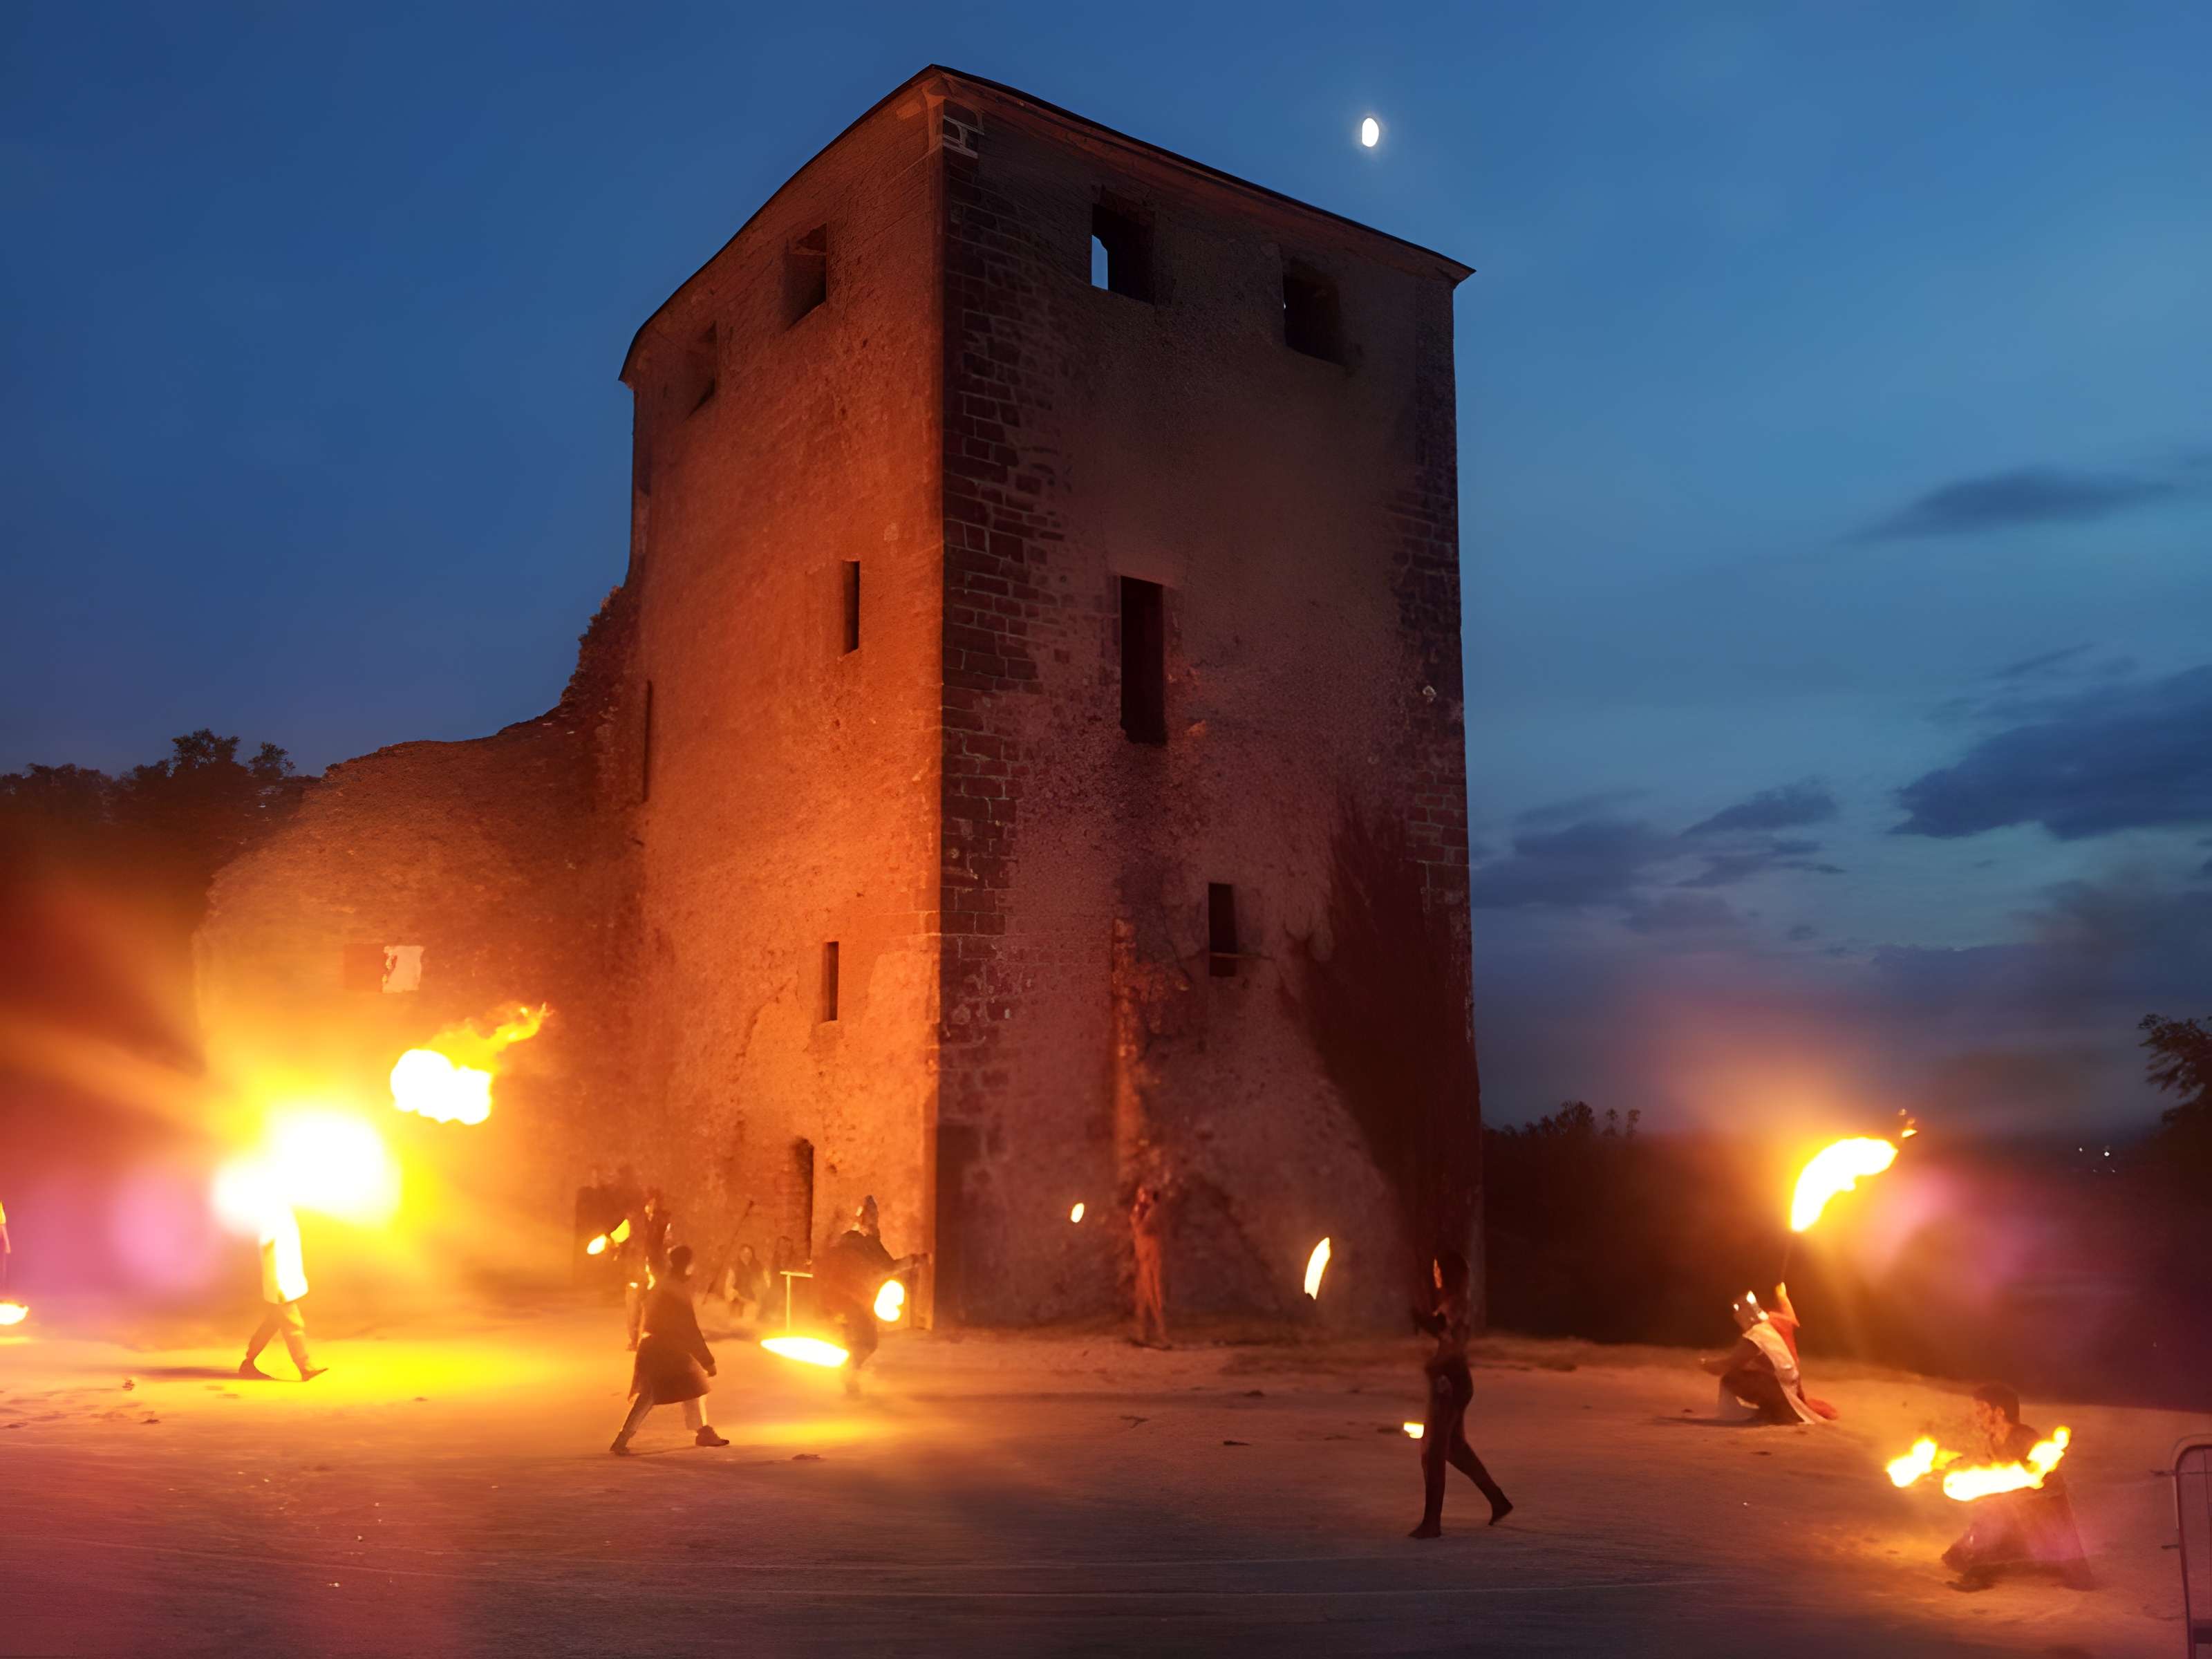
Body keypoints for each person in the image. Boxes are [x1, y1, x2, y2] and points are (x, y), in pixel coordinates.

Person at [1940, 1383, 2093, 1591]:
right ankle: (1992, 1559)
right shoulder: (1993, 1440)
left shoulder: (2025, 1438)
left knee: (1992, 1512)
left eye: (1982, 1410)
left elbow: (2042, 1480)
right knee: (1956, 1556)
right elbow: (1991, 1472)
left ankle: (1979, 1573)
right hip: (2015, 1512)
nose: (1977, 1416)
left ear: (1999, 1412)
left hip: (2042, 1514)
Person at [1408, 1248, 1512, 1537]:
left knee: (1433, 1451)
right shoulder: (1452, 1303)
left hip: (1450, 1383)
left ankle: (1432, 1523)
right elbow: (1443, 1333)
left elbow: (1448, 1334)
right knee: (1454, 1448)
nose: (1436, 1275)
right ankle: (1497, 1500)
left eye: (1440, 1270)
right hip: (1452, 1380)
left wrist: (1434, 1363)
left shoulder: (1456, 1304)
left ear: (1454, 1275)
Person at [611, 1244, 728, 1454]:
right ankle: (701, 1432)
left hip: (654, 1346)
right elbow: (689, 1327)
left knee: (684, 1389)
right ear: (686, 1264)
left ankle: (624, 1438)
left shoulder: (663, 1285)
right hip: (667, 1349)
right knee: (685, 1386)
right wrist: (707, 1360)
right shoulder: (675, 1289)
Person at [813, 1197, 926, 1396]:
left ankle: (852, 1384)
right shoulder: (868, 1244)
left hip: (832, 1302)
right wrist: (916, 1260)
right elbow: (887, 1267)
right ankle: (850, 1372)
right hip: (854, 1301)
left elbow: (822, 1264)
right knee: (868, 1341)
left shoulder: (843, 1243)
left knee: (851, 1341)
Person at [1700, 1285, 1823, 1424]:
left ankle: (1774, 1410)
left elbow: (1731, 1364)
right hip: (1791, 1385)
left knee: (1731, 1378)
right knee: (1749, 1372)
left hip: (1780, 1387)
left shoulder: (1756, 1334)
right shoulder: (1770, 1327)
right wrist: (1782, 1296)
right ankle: (1775, 1409)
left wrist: (1706, 1364)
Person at [240, 1207, 326, 1382]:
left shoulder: (282, 1211)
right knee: (293, 1322)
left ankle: (248, 1363)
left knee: (271, 1324)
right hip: (279, 1281)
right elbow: (264, 1240)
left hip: (285, 1277)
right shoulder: (270, 1213)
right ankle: (305, 1366)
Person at [619, 1188, 673, 1351]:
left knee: (652, 1306)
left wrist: (669, 1256)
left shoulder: (664, 1220)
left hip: (655, 1270)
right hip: (635, 1268)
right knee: (633, 1306)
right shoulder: (633, 1220)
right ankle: (633, 1339)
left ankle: (649, 1338)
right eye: (650, 1202)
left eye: (655, 1202)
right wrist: (613, 1244)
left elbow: (668, 1241)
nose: (652, 1206)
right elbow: (619, 1237)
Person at [1130, 1182, 1169, 1348]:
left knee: (1155, 1296)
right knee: (1142, 1298)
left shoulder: (1154, 1213)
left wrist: (1138, 1216)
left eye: (1145, 1194)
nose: (1141, 1198)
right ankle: (1142, 1334)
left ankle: (1163, 1335)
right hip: (1143, 1258)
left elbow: (1143, 1229)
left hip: (1153, 1259)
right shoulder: (1142, 1211)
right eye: (1140, 1194)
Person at [723, 1243, 769, 1327]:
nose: (746, 1255)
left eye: (749, 1253)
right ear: (740, 1254)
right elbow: (729, 1285)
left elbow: (766, 1282)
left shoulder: (759, 1267)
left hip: (755, 1300)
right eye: (744, 1253)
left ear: (752, 1254)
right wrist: (734, 1295)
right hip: (738, 1300)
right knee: (737, 1324)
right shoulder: (734, 1268)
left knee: (753, 1323)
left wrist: (762, 1294)